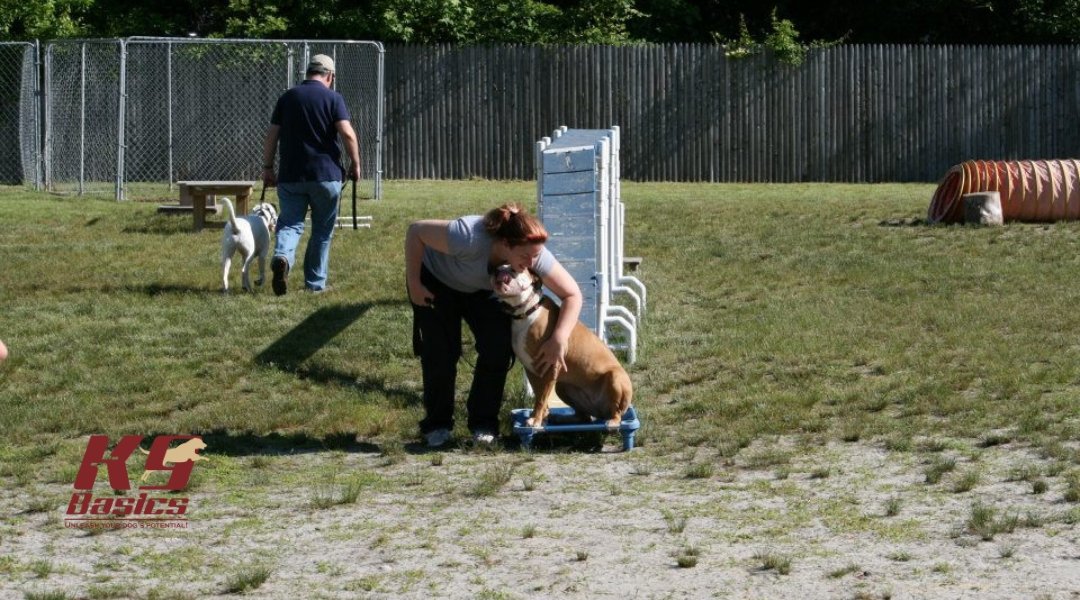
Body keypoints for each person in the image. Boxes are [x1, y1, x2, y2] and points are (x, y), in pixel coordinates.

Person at [405, 203, 583, 447]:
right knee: (441, 351)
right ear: (506, 244)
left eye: (536, 256)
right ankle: (437, 425)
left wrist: (559, 338)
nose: (531, 262)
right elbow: (416, 231)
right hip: (436, 280)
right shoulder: (467, 236)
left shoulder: (531, 252)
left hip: (482, 290)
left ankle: (483, 423)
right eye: (526, 257)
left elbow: (572, 294)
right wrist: (414, 282)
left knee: (498, 347)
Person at [261, 54, 361, 295]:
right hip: (325, 176)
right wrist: (355, 164)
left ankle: (283, 257)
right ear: (330, 76)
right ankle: (315, 285)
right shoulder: (333, 98)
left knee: (290, 223)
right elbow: (347, 134)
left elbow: (272, 135)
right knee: (321, 231)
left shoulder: (287, 97)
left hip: (291, 175)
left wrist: (267, 168)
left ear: (308, 73)